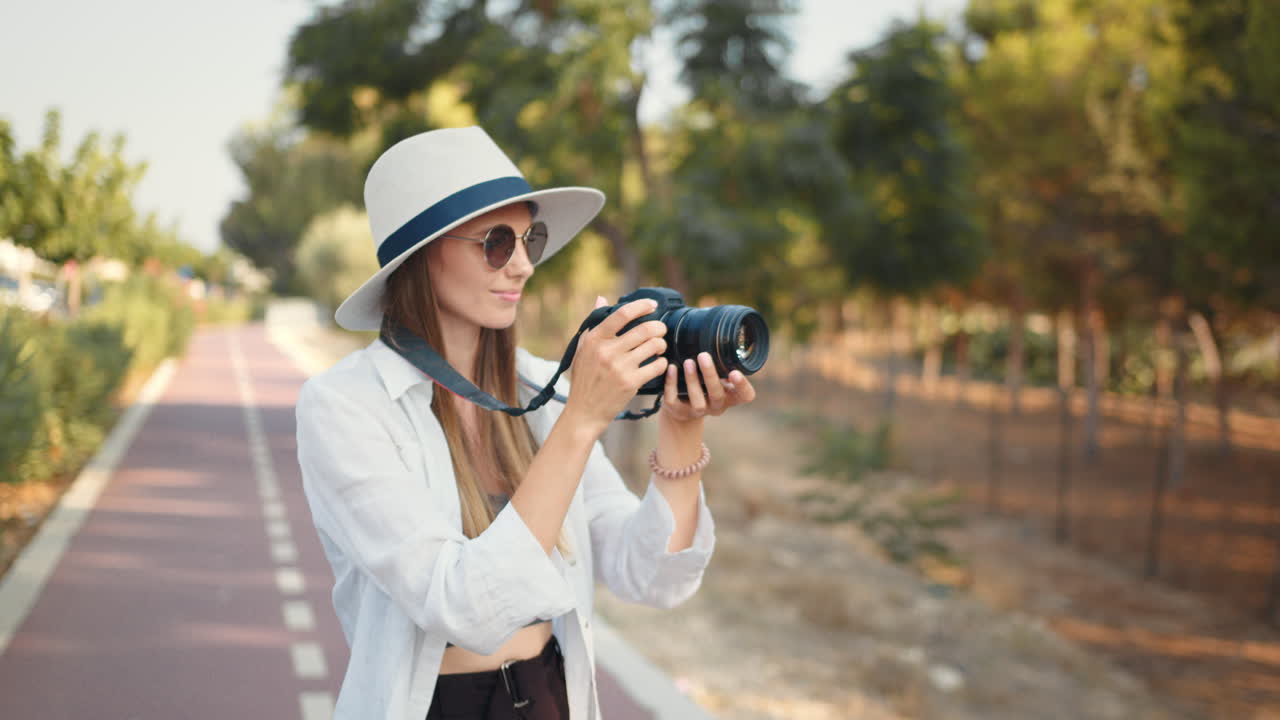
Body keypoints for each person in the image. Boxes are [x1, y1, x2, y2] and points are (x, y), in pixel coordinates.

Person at [295, 126, 756, 720]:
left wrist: (681, 425)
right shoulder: (345, 407)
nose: (521, 266)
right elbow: (461, 604)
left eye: (529, 240)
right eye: (495, 242)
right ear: (422, 257)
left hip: (549, 696)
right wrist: (583, 417)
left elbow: (648, 576)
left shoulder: (540, 389)